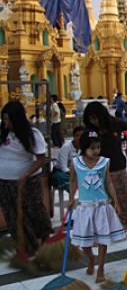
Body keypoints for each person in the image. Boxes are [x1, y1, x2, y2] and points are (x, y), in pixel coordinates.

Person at [69, 131, 126, 283]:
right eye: (92, 148)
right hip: (85, 207)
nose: (96, 151)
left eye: (98, 147)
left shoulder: (104, 162)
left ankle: (100, 268)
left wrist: (116, 201)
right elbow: (73, 181)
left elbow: (108, 182)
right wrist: (70, 199)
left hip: (102, 205)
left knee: (102, 239)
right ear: (84, 147)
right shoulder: (76, 162)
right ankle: (91, 258)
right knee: (83, 241)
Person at [0, 101, 52, 255]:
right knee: (12, 214)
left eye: (8, 119)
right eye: (4, 119)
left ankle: (44, 238)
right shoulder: (3, 133)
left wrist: (26, 175)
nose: (6, 122)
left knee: (33, 210)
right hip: (4, 181)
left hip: (27, 181)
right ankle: (27, 247)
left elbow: (41, 159)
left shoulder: (33, 134)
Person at [83, 101, 127, 235]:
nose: (93, 121)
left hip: (117, 166)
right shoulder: (91, 130)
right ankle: (113, 225)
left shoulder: (113, 123)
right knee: (107, 199)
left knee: (122, 195)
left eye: (95, 118)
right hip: (100, 168)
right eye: (90, 119)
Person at [50, 125, 85, 192]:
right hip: (62, 172)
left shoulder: (84, 148)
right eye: (77, 135)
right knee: (59, 177)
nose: (79, 138)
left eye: (82, 135)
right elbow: (63, 167)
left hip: (76, 173)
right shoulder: (66, 147)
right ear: (74, 137)